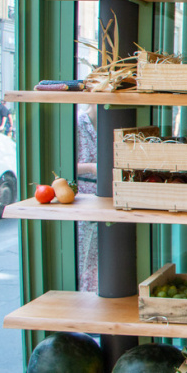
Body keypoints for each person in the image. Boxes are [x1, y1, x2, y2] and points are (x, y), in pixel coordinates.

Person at [76, 105, 98, 292]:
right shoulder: (78, 124)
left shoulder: (112, 125)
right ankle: (86, 294)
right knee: (85, 255)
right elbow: (63, 163)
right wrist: (91, 167)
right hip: (83, 194)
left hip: (106, 193)